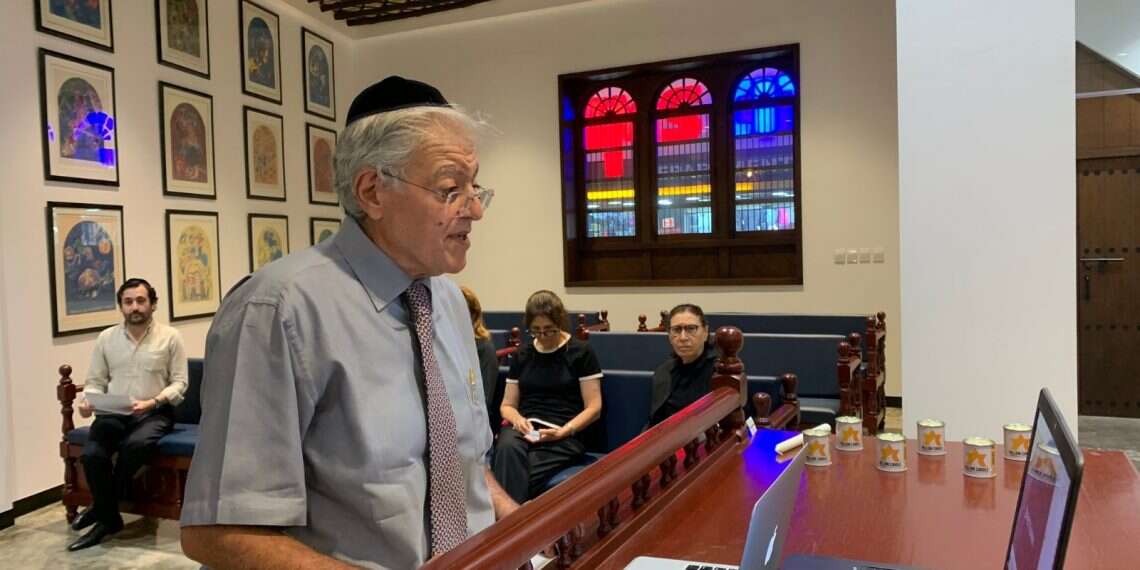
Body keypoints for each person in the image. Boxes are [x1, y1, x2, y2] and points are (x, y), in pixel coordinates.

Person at [179, 76, 518, 569]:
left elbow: (457, 467)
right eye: (450, 189)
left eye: (474, 186)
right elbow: (220, 531)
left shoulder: (445, 300)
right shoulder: (279, 310)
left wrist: (524, 529)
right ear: (372, 192)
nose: (474, 210)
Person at [69, 278, 189, 551]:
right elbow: (95, 381)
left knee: (135, 445)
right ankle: (109, 517)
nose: (135, 307)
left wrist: (153, 401)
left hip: (155, 412)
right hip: (113, 411)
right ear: (121, 306)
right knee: (92, 455)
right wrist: (88, 400)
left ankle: (101, 509)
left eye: (141, 300)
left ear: (152, 304)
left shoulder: (170, 337)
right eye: (128, 301)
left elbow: (180, 383)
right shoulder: (106, 338)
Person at [492, 290, 603, 504]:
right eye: (536, 331)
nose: (543, 336)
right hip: (525, 429)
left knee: (515, 473)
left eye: (549, 330)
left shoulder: (580, 352)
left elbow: (594, 407)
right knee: (506, 447)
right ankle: (516, 527)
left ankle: (507, 528)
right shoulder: (522, 354)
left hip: (565, 431)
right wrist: (517, 420)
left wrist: (565, 431)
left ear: (560, 323)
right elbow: (507, 405)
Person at [649, 304, 717, 427]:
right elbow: (654, 422)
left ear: (705, 332)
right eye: (676, 329)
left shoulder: (720, 371)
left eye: (691, 328)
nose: (683, 337)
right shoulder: (663, 372)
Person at [461, 285, 504, 434]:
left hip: (474, 424)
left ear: (473, 315)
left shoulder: (484, 348)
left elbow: (483, 400)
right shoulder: (441, 344)